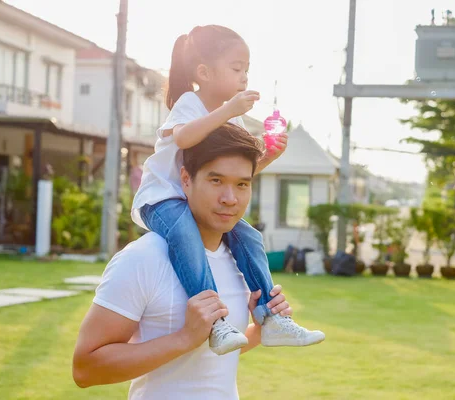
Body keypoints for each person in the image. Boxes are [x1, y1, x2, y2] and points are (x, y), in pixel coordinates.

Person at [131, 24, 324, 355]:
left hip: (197, 200)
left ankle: (270, 318)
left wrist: (266, 157)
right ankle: (215, 323)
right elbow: (184, 138)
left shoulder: (231, 121)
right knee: (185, 233)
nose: (245, 77)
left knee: (249, 236)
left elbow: (232, 176)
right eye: (237, 68)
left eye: (247, 69)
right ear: (204, 72)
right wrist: (229, 111)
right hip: (162, 199)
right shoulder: (191, 103)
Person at [73, 124, 303, 399]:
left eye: (242, 184)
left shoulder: (241, 260)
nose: (230, 199)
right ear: (185, 179)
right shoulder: (143, 258)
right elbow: (85, 369)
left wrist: (260, 328)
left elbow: (211, 356)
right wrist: (184, 338)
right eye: (216, 181)